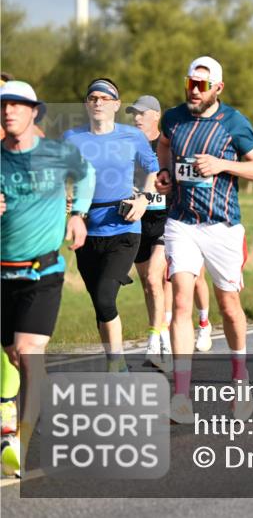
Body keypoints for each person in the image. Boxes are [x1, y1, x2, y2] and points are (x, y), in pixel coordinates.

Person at [155, 56, 253, 423]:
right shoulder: (173, 118)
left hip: (222, 225)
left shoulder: (233, 122)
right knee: (180, 302)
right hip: (182, 222)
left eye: (201, 85)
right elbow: (163, 144)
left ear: (217, 89)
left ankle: (240, 378)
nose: (193, 89)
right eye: (190, 82)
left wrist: (223, 165)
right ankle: (181, 394)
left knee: (229, 307)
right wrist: (164, 172)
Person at [1, 81, 94, 478]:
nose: (9, 112)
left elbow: (86, 176)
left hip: (44, 270)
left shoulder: (57, 153)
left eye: (18, 106)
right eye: (4, 106)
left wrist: (79, 214)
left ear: (34, 112)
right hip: (3, 273)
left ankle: (19, 440)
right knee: (11, 353)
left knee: (28, 352)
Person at [63, 79, 159, 372]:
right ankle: (114, 363)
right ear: (86, 104)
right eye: (93, 97)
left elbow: (152, 171)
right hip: (87, 230)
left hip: (123, 227)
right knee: (100, 304)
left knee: (106, 296)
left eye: (106, 98)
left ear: (117, 105)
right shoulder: (72, 137)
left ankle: (116, 367)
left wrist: (143, 200)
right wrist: (65, 199)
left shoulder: (132, 137)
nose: (99, 102)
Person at [126, 96, 212, 371]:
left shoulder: (169, 145)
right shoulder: (127, 146)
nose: (136, 118)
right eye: (133, 114)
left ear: (156, 116)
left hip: (169, 219)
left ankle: (157, 341)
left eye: (141, 113)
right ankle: (160, 336)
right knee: (149, 285)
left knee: (155, 277)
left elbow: (189, 175)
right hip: (139, 221)